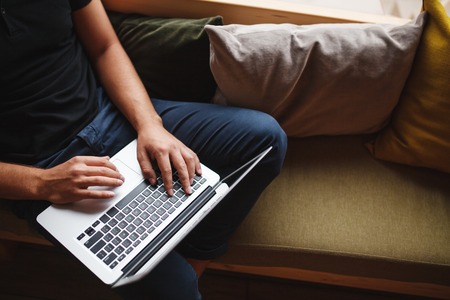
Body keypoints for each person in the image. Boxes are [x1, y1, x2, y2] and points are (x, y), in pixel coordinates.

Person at [0, 0, 287, 299]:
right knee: (176, 291)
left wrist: (149, 124)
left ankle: (195, 258)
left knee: (265, 139)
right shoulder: (42, 179)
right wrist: (41, 183)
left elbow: (104, 47)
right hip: (43, 168)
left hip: (111, 114)